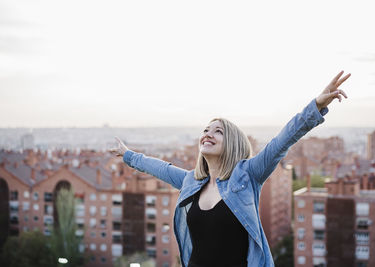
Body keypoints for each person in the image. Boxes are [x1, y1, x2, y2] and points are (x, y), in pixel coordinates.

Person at [110, 71, 351, 267]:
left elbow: (282, 141)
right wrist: (127, 155)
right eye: (206, 129)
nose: (208, 134)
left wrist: (317, 105)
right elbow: (160, 168)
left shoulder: (248, 175)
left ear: (233, 143)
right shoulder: (191, 182)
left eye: (218, 131)